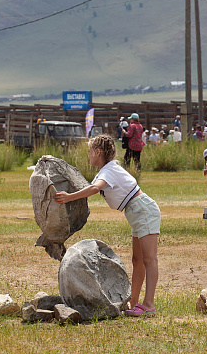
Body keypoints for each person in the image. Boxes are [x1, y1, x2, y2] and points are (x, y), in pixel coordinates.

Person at [54, 134, 160, 316]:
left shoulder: (108, 170)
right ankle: (134, 302)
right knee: (137, 260)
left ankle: (149, 305)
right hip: (136, 212)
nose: (88, 155)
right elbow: (91, 186)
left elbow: (95, 188)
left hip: (143, 210)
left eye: (90, 152)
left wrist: (69, 197)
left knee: (149, 259)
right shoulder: (106, 170)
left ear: (98, 152)